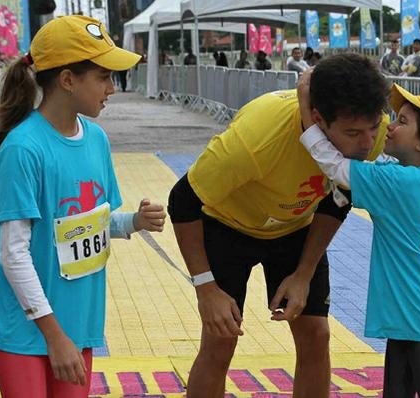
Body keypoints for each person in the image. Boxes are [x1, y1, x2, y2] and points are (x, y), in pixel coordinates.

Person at [167, 53, 390, 398]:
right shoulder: (257, 138)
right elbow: (182, 201)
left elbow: (337, 200)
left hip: (295, 229)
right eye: (352, 133)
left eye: (372, 129)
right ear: (317, 118)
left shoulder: (370, 130)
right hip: (227, 226)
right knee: (220, 338)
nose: (366, 143)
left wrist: (303, 273)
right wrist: (205, 289)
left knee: (317, 334)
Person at [0, 15, 167, 397]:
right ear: (67, 80)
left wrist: (133, 221)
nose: (111, 89)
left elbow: (86, 221)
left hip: (76, 318)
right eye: (103, 76)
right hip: (26, 326)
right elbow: (13, 254)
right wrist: (54, 335)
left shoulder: (96, 139)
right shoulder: (23, 149)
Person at [298, 79, 420, 398]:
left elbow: (334, 166)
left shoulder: (402, 181)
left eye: (402, 121)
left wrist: (306, 103)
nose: (390, 124)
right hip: (414, 317)